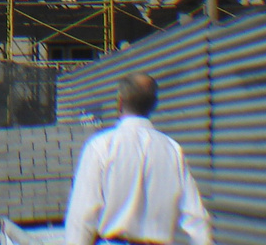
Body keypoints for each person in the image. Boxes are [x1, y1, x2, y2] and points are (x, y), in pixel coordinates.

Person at [63, 73, 211, 245]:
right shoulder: (172, 150)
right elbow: (195, 217)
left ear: (120, 102)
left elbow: (82, 215)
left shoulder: (101, 146)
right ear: (154, 104)